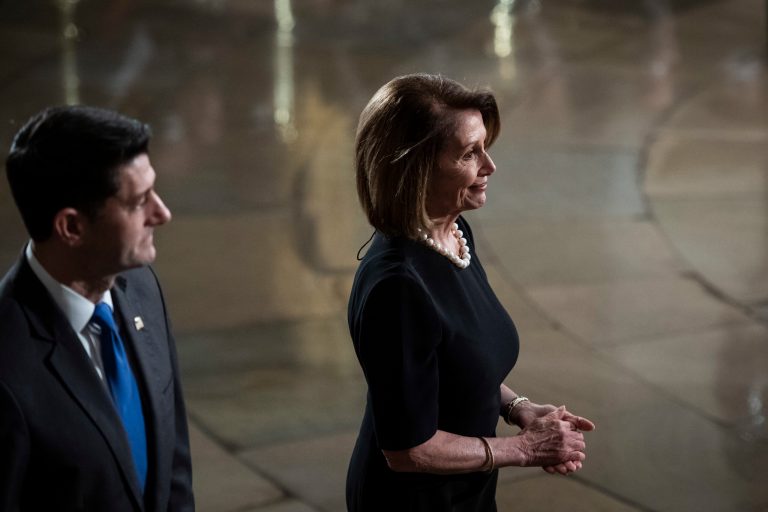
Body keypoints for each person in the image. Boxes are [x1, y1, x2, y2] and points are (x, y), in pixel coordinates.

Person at [347, 74, 596, 511]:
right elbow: (408, 451)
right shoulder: (399, 289)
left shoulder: (453, 234)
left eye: (485, 146)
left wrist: (519, 408)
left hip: (465, 491)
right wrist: (524, 449)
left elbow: (458, 362)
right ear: (415, 168)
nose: (489, 165)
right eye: (468, 153)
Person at [0, 105, 194, 511]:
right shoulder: (8, 366)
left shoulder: (141, 286)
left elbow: (174, 468)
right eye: (138, 201)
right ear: (72, 227)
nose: (162, 213)